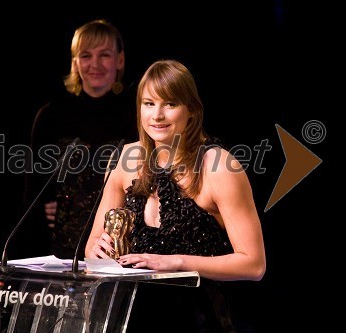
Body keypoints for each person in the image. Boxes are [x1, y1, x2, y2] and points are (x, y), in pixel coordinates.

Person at [85, 59, 266, 332]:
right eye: (148, 103)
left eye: (169, 104)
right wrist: (98, 252)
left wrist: (177, 263)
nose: (156, 115)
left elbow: (254, 264)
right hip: (129, 316)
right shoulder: (126, 158)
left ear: (191, 110)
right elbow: (90, 249)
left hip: (197, 319)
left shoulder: (219, 167)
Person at [22, 19, 138, 259]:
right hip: (60, 251)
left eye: (104, 55)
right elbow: (33, 190)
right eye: (86, 56)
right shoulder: (51, 116)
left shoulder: (137, 113)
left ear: (120, 60)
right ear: (75, 63)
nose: (95, 64)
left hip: (119, 249)